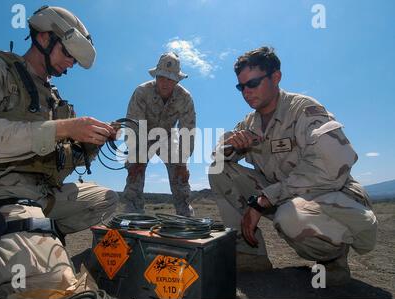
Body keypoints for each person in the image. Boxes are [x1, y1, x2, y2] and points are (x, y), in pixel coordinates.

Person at [0, 6, 118, 298]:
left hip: (38, 192)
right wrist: (60, 129)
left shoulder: (53, 99)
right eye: (68, 54)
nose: (71, 63)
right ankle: (11, 250)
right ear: (44, 37)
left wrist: (87, 146)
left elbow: (53, 164)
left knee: (105, 199)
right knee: (51, 287)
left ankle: (31, 235)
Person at [209, 46, 377, 285]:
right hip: (283, 195)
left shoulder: (304, 110)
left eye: (253, 83)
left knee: (290, 216)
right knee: (219, 168)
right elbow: (218, 155)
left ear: (276, 77)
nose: (246, 92)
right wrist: (230, 146)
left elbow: (335, 164)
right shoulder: (250, 122)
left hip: (329, 194)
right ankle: (250, 254)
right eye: (241, 86)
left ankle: (333, 261)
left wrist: (265, 199)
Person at [122, 52, 196, 217]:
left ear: (177, 80)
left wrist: (183, 163)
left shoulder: (185, 98)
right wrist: (139, 156)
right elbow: (133, 126)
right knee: (135, 168)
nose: (165, 83)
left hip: (168, 136)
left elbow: (188, 130)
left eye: (170, 79)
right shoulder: (141, 92)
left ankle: (185, 215)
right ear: (156, 75)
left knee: (180, 171)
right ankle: (132, 215)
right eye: (161, 77)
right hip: (142, 135)